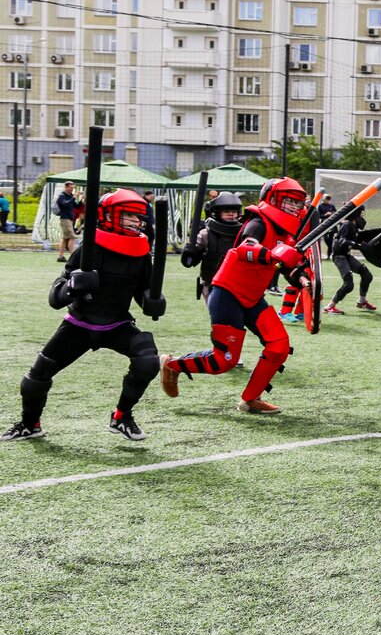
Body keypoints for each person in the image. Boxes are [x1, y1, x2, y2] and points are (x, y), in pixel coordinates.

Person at [1, 190, 165, 442]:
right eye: (129, 215)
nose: (136, 221)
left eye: (138, 216)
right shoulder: (90, 247)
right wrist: (73, 287)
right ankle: (29, 424)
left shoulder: (141, 251)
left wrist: (152, 301)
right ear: (108, 216)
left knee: (148, 362)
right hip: (79, 324)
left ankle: (121, 417)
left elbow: (143, 290)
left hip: (117, 323)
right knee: (36, 376)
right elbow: (55, 297)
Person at [160, 177, 312, 415]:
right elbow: (245, 248)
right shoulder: (258, 222)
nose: (295, 206)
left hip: (253, 297)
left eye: (298, 202)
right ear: (272, 199)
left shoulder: (287, 232)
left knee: (279, 346)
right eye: (289, 201)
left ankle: (250, 399)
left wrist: (303, 279)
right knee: (224, 360)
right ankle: (172, 364)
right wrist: (274, 256)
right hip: (227, 292)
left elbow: (288, 267)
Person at [323, 210, 376, 315]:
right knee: (348, 284)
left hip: (346, 255)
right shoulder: (348, 225)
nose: (362, 217)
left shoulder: (353, 226)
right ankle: (329, 307)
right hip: (339, 256)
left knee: (367, 275)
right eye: (361, 214)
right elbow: (343, 241)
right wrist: (360, 246)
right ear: (355, 215)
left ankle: (362, 301)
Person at [55, 181, 81, 262]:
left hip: (69, 219)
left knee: (65, 238)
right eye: (70, 187)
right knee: (72, 237)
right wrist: (73, 197)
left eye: (73, 188)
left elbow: (76, 206)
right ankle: (73, 256)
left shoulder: (70, 196)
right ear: (66, 187)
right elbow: (65, 204)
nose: (72, 189)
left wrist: (81, 200)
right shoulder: (62, 196)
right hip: (65, 219)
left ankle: (61, 256)